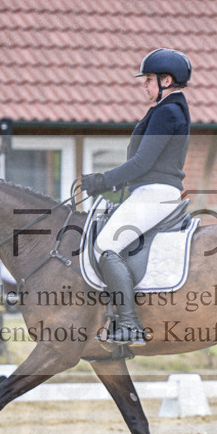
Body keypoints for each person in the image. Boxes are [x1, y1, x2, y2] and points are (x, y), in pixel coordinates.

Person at [79, 48, 192, 345]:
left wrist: (103, 180)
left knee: (105, 246)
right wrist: (116, 185)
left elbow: (142, 162)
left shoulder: (168, 111)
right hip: (149, 189)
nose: (144, 84)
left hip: (156, 193)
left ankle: (129, 324)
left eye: (149, 79)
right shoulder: (167, 109)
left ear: (166, 80)